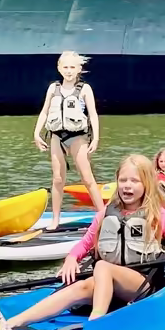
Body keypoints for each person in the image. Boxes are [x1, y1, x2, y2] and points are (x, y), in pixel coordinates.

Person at [8, 155, 165, 329]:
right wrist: (72, 258)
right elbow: (85, 243)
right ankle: (12, 323)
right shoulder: (105, 214)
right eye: (123, 180)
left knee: (102, 267)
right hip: (106, 280)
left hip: (140, 283)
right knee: (79, 287)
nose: (127, 186)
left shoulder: (159, 216)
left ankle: (96, 322)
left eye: (134, 181)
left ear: (146, 185)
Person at [33, 51, 105, 229]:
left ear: (79, 68)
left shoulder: (84, 89)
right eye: (65, 67)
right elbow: (44, 111)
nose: (69, 71)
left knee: (87, 178)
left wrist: (96, 138)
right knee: (57, 179)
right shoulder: (53, 88)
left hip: (78, 137)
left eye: (72, 67)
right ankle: (55, 219)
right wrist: (36, 133)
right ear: (59, 68)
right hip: (57, 136)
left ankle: (103, 216)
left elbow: (93, 115)